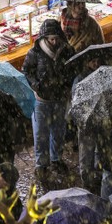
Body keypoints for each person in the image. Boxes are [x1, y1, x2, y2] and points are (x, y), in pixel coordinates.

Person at [22, 19, 76, 179]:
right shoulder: (35, 53)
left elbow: (73, 69)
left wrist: (66, 86)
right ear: (44, 38)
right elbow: (26, 71)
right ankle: (41, 164)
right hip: (41, 100)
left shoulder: (67, 51)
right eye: (50, 38)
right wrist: (36, 86)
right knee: (40, 134)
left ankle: (56, 159)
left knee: (58, 131)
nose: (54, 41)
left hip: (59, 99)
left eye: (55, 38)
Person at [73, 55, 103, 194]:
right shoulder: (80, 79)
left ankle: (96, 177)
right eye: (93, 61)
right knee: (86, 153)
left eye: (97, 61)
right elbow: (77, 103)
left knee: (98, 149)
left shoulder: (101, 75)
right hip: (86, 122)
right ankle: (87, 180)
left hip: (98, 120)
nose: (96, 63)